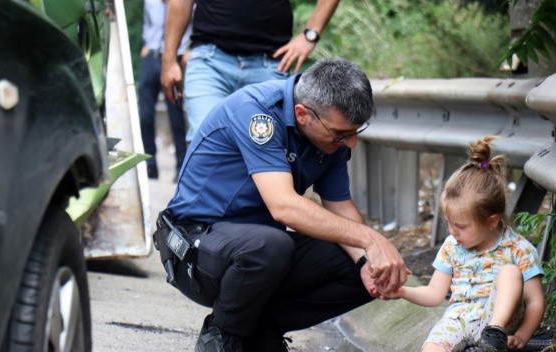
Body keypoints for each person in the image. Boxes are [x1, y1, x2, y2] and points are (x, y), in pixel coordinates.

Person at [155, 58, 410, 352]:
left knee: (370, 272)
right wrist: (371, 238)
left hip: (255, 247)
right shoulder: (257, 112)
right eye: (341, 134)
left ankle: (261, 333)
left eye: (355, 132)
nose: (351, 143)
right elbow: (284, 207)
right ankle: (223, 337)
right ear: (302, 114)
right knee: (270, 245)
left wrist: (368, 259)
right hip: (194, 247)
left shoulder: (330, 137)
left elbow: (340, 208)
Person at [381, 137, 545, 352]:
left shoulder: (518, 248)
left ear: (491, 221)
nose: (452, 231)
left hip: (498, 320)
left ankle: (492, 339)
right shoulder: (452, 246)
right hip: (459, 318)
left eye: (461, 226)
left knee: (509, 272)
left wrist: (523, 335)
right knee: (431, 348)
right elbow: (434, 294)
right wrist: (403, 292)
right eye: (449, 223)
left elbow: (534, 302)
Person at [160, 0, 341, 143]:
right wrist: (169, 61)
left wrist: (310, 34)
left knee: (264, 152)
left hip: (269, 66)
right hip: (210, 62)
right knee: (206, 146)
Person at [139, 0, 192, 179]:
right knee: (144, 114)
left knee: (176, 118)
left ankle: (180, 167)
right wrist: (146, 43)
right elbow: (147, 20)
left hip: (175, 59)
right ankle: (150, 163)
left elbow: (195, 22)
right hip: (152, 56)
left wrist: (190, 48)